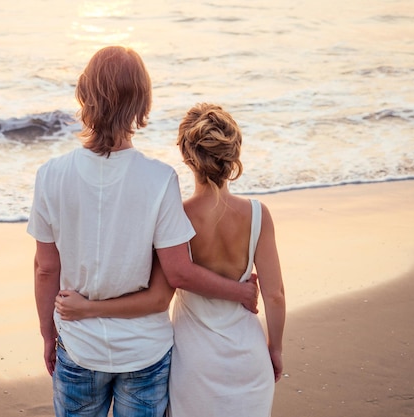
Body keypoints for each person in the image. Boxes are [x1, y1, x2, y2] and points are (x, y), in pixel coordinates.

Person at [27, 47, 259, 417]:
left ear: (84, 95)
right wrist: (242, 292)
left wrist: (47, 333)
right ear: (142, 104)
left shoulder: (51, 175)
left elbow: (45, 269)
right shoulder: (160, 180)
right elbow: (170, 280)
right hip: (145, 352)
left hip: (80, 347)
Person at [56, 103, 286, 417]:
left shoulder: (177, 216)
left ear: (185, 154)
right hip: (249, 355)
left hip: (194, 360)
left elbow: (163, 283)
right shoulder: (258, 215)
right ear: (234, 151)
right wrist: (275, 349)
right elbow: (274, 295)